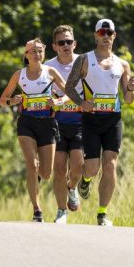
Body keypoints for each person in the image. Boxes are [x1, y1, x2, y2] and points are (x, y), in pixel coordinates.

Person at [64, 18, 134, 227]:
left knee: (111, 164)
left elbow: (129, 100)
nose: (106, 36)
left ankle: (102, 214)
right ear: (96, 35)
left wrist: (131, 89)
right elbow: (69, 87)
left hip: (113, 119)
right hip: (91, 120)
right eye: (102, 33)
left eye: (109, 33)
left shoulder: (122, 64)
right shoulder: (85, 60)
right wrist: (81, 103)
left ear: (114, 36)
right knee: (92, 168)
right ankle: (85, 181)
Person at [0, 38, 69, 223]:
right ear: (26, 55)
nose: (37, 54)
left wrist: (59, 102)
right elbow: (2, 100)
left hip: (47, 124)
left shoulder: (50, 72)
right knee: (32, 164)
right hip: (27, 123)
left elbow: (70, 93)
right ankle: (37, 210)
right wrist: (12, 101)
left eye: (40, 51)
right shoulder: (19, 75)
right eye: (33, 51)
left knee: (46, 174)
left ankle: (34, 179)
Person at [44, 25, 84, 224]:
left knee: (78, 166)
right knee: (58, 168)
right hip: (56, 123)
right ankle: (61, 211)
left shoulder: (83, 62)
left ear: (74, 44)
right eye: (62, 43)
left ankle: (72, 187)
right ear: (54, 46)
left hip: (79, 121)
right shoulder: (48, 66)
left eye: (69, 42)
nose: (66, 45)